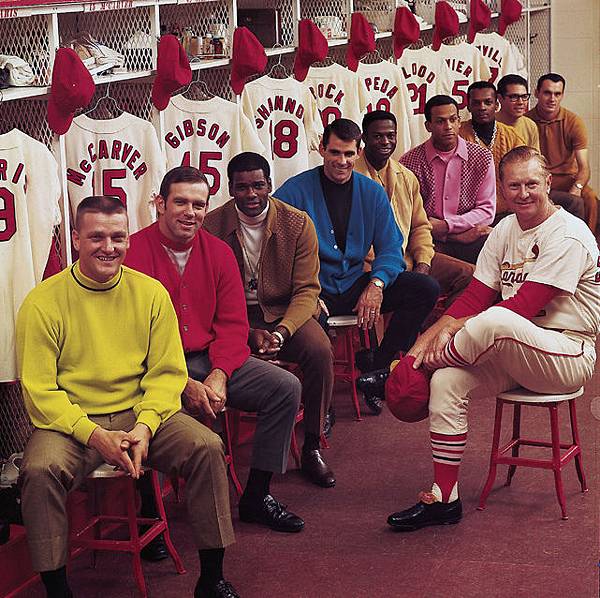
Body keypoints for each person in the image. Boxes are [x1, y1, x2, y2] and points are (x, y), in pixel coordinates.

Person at [16, 196, 239, 598]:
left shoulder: (150, 294)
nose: (108, 247)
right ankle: (57, 589)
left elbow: (167, 373)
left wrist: (146, 425)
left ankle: (212, 577)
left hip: (140, 412)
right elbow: (40, 391)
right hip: (72, 422)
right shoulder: (42, 302)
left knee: (207, 446)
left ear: (128, 241)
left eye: (118, 237)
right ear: (77, 239)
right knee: (39, 470)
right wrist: (94, 435)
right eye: (97, 236)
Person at [387, 146, 599, 532]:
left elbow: (523, 305)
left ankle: (422, 365)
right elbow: (474, 295)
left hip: (568, 352)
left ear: (548, 183)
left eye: (532, 183)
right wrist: (426, 339)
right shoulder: (505, 228)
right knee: (448, 383)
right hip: (512, 347)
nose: (523, 193)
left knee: (498, 318)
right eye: (514, 185)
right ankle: (444, 498)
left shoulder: (568, 233)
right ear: (501, 188)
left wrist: (420, 358)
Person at [125, 167, 305, 536]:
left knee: (284, 387)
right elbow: (130, 338)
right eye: (180, 202)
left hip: (210, 359)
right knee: (142, 404)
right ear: (159, 203)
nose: (190, 212)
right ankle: (149, 509)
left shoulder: (220, 253)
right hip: (152, 367)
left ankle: (256, 495)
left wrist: (220, 374)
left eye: (198, 204)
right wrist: (181, 382)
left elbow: (234, 325)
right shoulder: (133, 252)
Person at [274, 118, 440, 414]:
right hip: (314, 291)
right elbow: (276, 251)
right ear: (322, 149)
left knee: (424, 288)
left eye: (349, 154)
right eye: (335, 153)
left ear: (358, 152)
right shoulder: (293, 191)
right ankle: (321, 411)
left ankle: (378, 368)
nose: (342, 161)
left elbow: (391, 248)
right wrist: (303, 292)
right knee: (313, 341)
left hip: (354, 284)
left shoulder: (371, 192)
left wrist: (377, 284)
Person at [204, 152, 335, 488]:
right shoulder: (212, 226)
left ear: (270, 185)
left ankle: (312, 445)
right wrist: (247, 332)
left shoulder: (297, 222)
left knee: (319, 350)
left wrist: (281, 331)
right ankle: (218, 454)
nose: (251, 194)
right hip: (233, 315)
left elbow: (307, 290)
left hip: (283, 312)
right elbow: (207, 294)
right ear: (230, 189)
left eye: (258, 185)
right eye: (242, 187)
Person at [355, 110, 474, 307]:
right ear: (364, 138)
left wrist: (423, 263)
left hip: (408, 258)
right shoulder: (351, 177)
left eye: (390, 135)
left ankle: (440, 332)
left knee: (469, 276)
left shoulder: (406, 176)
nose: (385, 141)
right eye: (377, 136)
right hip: (370, 266)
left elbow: (420, 227)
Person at [400, 95, 496, 265]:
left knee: (498, 246)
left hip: (472, 237)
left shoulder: (482, 157)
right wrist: (456, 236)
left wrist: (447, 226)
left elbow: (486, 210)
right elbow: (408, 217)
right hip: (429, 241)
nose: (448, 127)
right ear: (428, 126)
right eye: (440, 121)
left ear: (460, 121)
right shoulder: (409, 162)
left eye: (453, 120)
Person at [527, 72, 598, 232]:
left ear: (562, 95)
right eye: (547, 93)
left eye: (557, 94)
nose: (552, 99)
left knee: (591, 199)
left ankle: (590, 245)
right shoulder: (526, 120)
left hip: (568, 179)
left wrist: (577, 187)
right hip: (540, 179)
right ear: (537, 93)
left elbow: (584, 167)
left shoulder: (574, 122)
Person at [459, 81, 525, 221]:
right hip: (470, 215)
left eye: (488, 102)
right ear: (468, 106)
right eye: (476, 103)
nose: (482, 107)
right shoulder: (458, 135)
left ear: (496, 105)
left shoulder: (511, 136)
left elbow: (525, 173)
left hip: (508, 212)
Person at [496, 74, 540, 151]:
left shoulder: (530, 126)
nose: (520, 102)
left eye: (524, 97)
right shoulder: (489, 123)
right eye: (514, 97)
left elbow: (534, 159)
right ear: (500, 98)